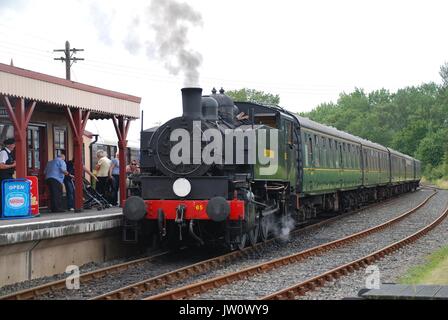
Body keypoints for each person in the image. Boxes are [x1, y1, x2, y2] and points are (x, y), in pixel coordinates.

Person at [0, 138, 16, 214]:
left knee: (8, 194)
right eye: (13, 144)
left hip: (8, 176)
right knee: (3, 194)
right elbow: (1, 166)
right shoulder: (3, 152)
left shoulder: (9, 153)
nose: (14, 146)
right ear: (10, 145)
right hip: (3, 177)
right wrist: (12, 165)